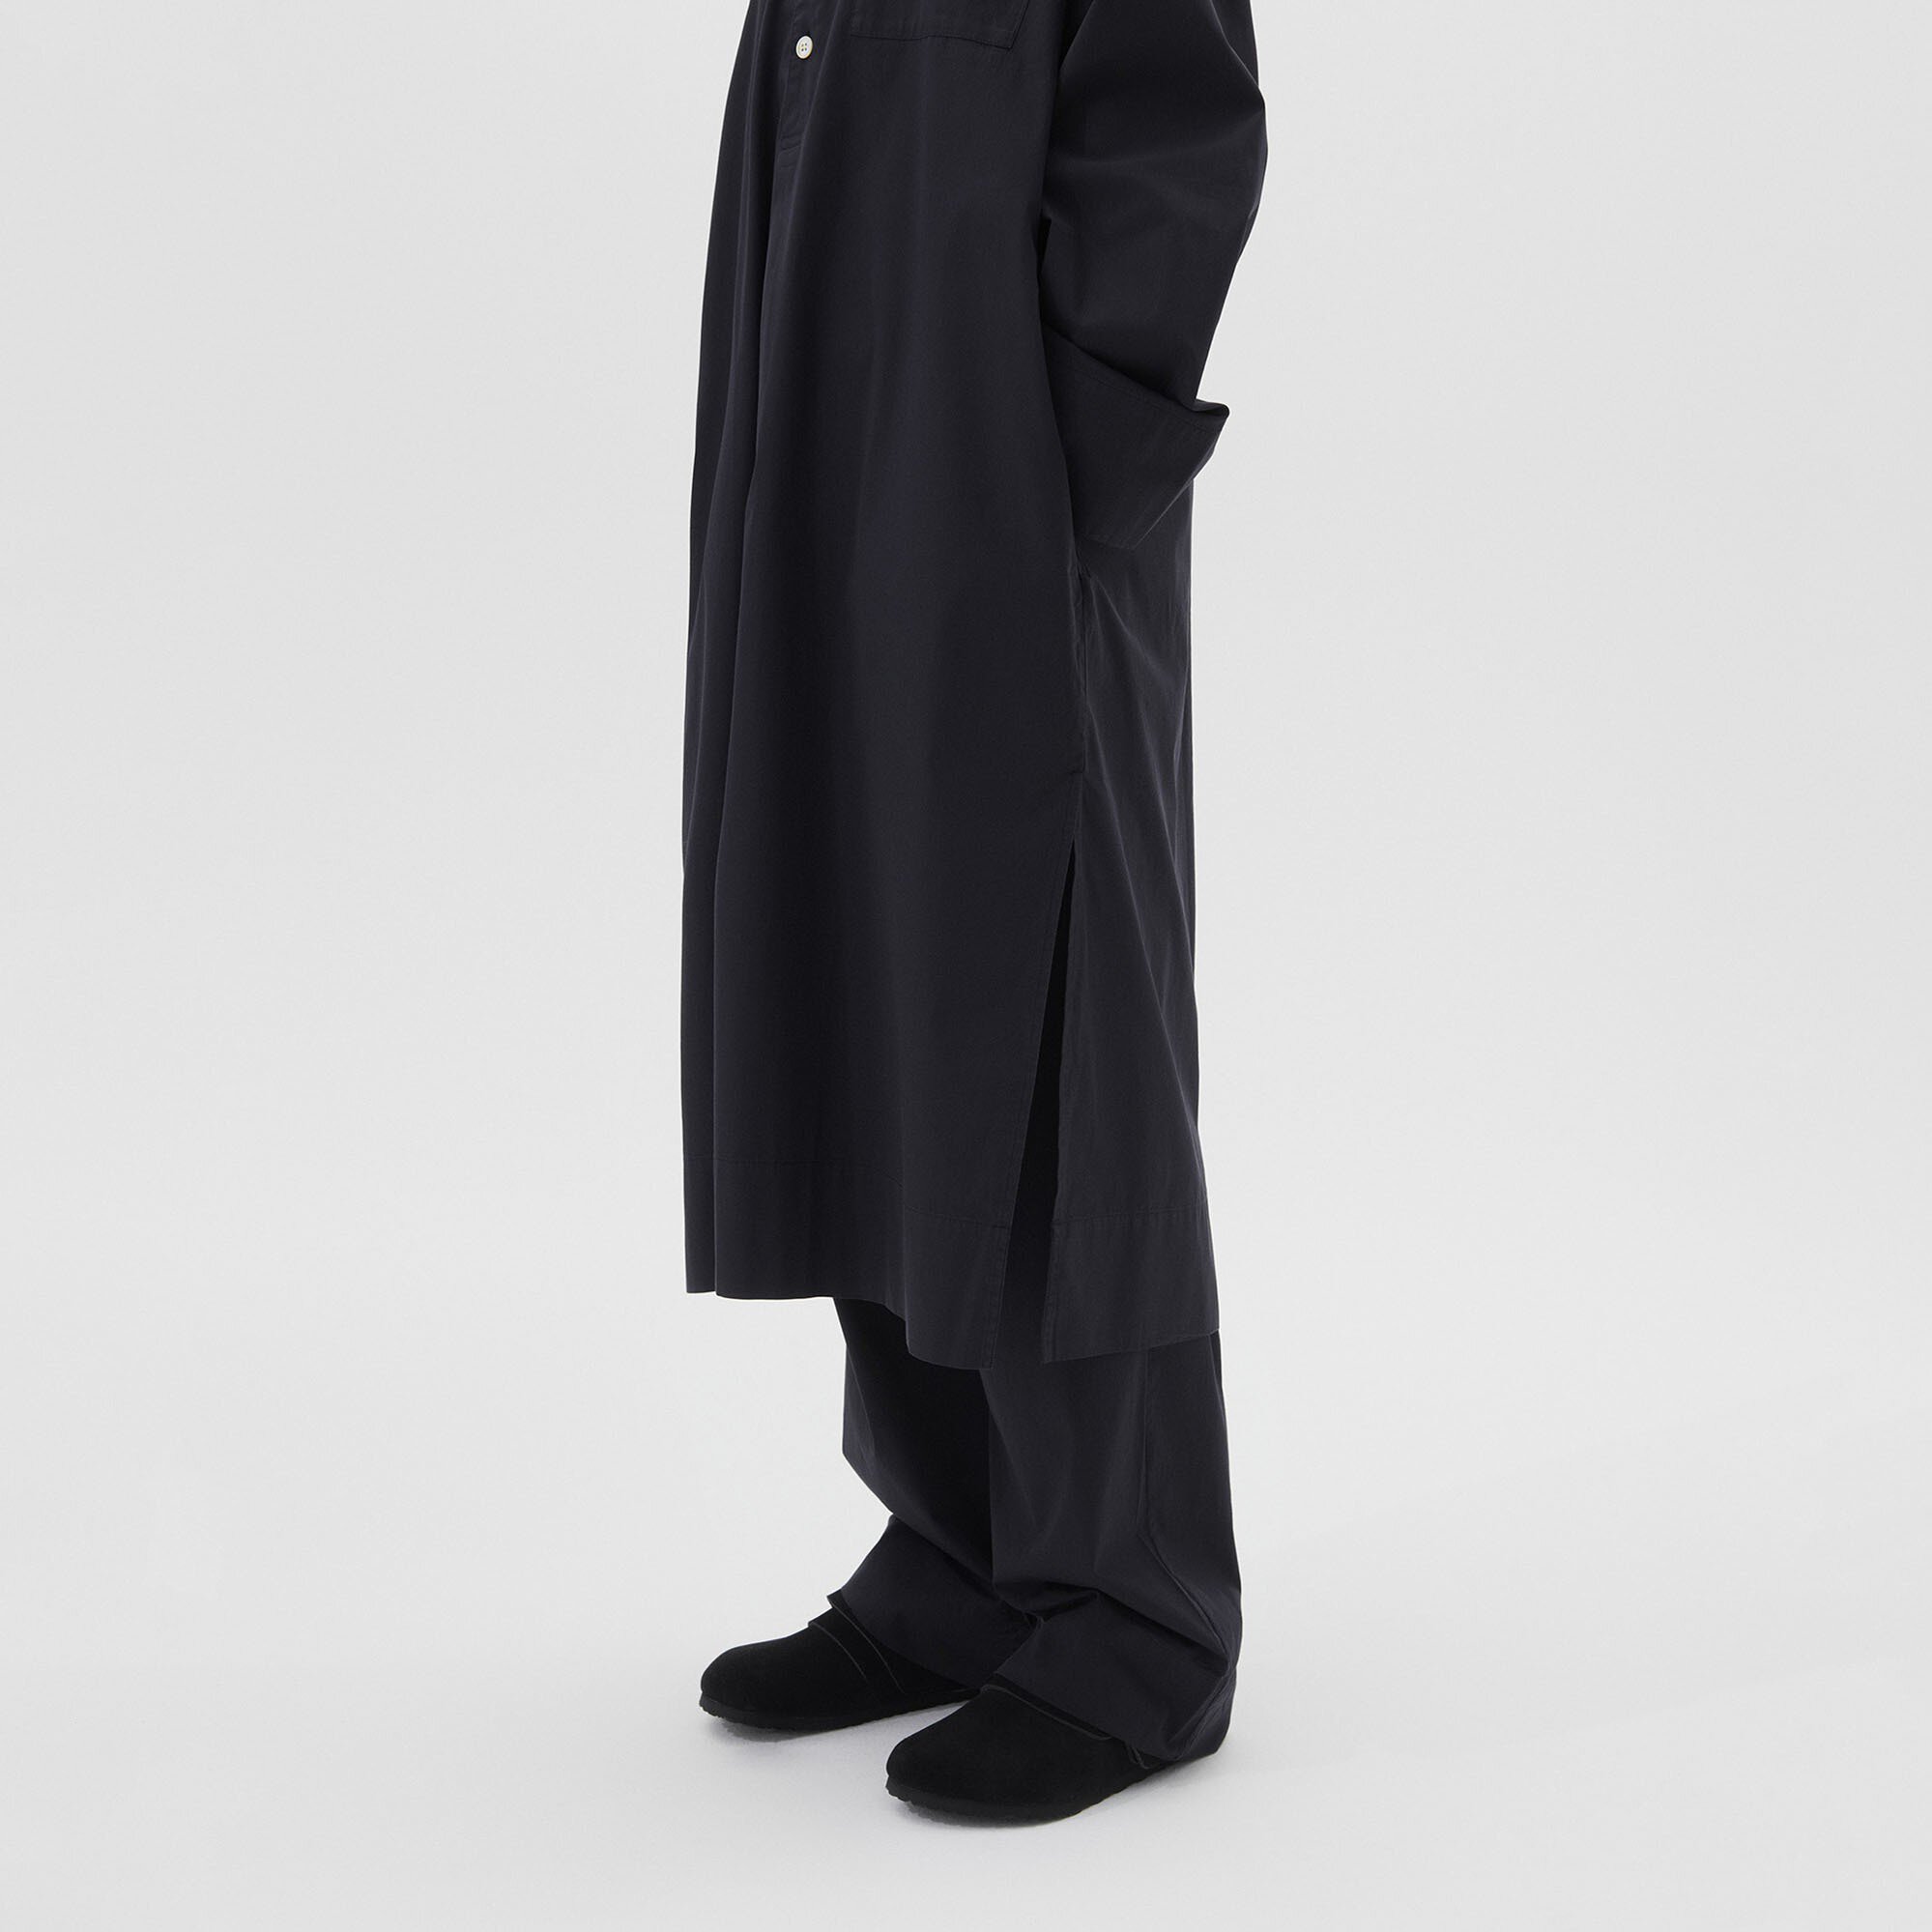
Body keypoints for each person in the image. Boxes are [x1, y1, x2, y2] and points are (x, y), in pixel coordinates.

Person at [681, 0, 1266, 1823]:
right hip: (824, 421)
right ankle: (965, 1557)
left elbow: (1179, 133)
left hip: (1010, 473)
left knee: (1056, 1004)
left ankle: (1138, 1620)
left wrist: (1055, 458)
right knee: (868, 972)